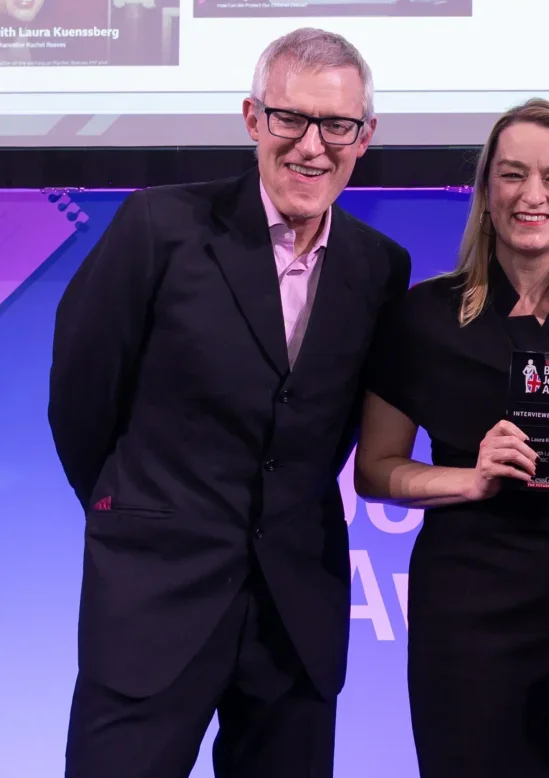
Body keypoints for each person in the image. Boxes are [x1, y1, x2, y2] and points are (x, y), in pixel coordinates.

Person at [47, 27, 410, 778]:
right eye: (291, 119)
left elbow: (339, 426)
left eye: (337, 125)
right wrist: (137, 513)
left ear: (364, 137)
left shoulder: (380, 268)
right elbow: (81, 398)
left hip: (293, 621)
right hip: (152, 603)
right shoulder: (159, 227)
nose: (313, 146)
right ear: (252, 119)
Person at [354, 98, 549, 777]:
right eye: (512, 175)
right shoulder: (425, 315)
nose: (534, 195)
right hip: (464, 603)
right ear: (485, 193)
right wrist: (468, 479)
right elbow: (375, 469)